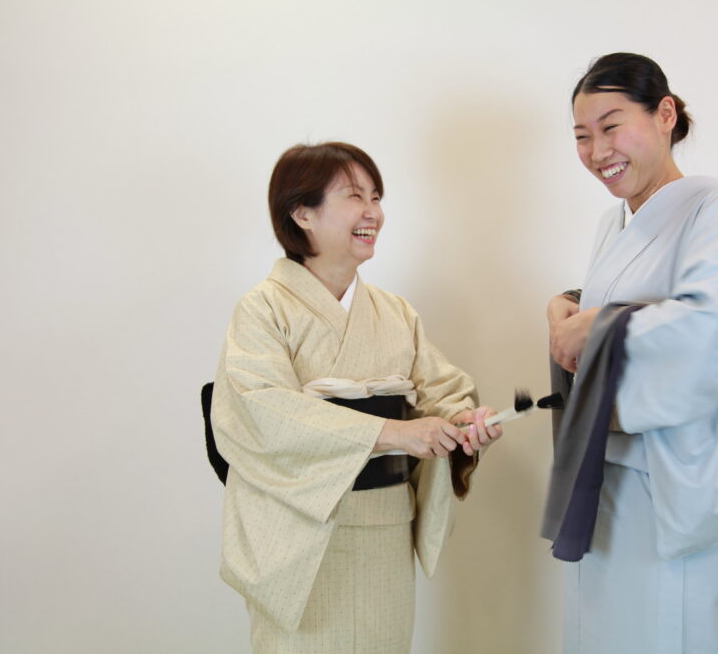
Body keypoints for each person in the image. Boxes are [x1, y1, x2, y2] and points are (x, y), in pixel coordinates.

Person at [211, 141, 501, 653]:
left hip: (385, 525)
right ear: (302, 213)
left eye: (376, 197)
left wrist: (463, 422)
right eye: (354, 196)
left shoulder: (395, 313)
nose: (373, 213)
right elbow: (260, 407)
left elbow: (441, 390)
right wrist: (392, 432)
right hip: (298, 536)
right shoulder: (263, 309)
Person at [545, 53, 718, 654]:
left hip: (675, 478)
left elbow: (713, 324)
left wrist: (598, 325)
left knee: (675, 631)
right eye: (582, 136)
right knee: (606, 633)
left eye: (612, 127)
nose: (598, 152)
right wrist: (567, 305)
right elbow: (624, 296)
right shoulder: (612, 223)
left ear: (665, 114)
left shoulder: (715, 207)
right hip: (604, 472)